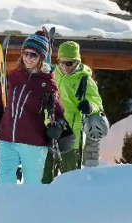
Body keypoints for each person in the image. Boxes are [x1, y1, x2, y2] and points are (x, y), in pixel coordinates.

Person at [0, 29, 65, 185]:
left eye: (33, 55)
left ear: (41, 57)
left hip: (33, 142)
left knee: (32, 185)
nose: (28, 58)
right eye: (25, 53)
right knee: (4, 182)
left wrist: (58, 126)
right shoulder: (12, 76)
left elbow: (57, 112)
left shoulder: (47, 83)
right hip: (7, 138)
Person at [42, 40, 104, 184]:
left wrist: (90, 106)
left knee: (69, 179)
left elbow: (97, 103)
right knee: (44, 178)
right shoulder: (53, 74)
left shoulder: (85, 79)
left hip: (71, 136)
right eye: (61, 62)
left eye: (69, 63)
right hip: (50, 131)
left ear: (77, 62)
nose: (64, 66)